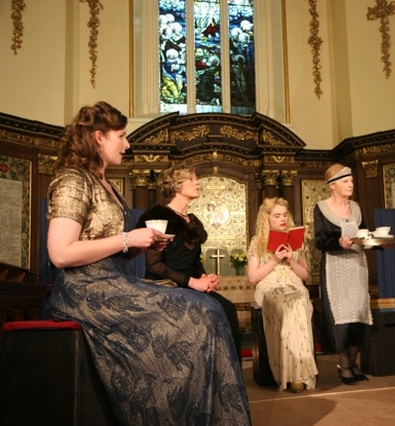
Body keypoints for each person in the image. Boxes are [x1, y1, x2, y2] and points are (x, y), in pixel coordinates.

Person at [46, 101, 251, 425]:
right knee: (204, 312)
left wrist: (141, 245)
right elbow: (60, 253)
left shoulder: (108, 185)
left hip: (114, 280)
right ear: (99, 137)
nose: (128, 144)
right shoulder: (74, 179)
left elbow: (112, 249)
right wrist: (129, 239)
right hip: (84, 291)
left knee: (210, 311)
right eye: (122, 136)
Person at [136, 165, 242, 360]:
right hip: (164, 286)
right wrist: (193, 282)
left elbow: (194, 263)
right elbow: (155, 266)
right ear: (177, 186)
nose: (197, 182)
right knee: (209, 311)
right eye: (192, 179)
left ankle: (228, 376)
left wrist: (204, 277)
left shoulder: (193, 222)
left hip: (189, 285)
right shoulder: (157, 217)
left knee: (227, 308)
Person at [247, 197, 318, 393]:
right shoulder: (258, 241)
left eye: (285, 215)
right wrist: (274, 260)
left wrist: (290, 259)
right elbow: (252, 278)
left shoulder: (296, 240)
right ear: (267, 218)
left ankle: (300, 373)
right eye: (277, 215)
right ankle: (291, 375)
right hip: (269, 285)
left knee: (298, 302)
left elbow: (304, 275)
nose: (282, 219)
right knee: (287, 305)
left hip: (293, 283)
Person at [313, 164, 372, 384]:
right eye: (346, 181)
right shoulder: (321, 208)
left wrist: (380, 244)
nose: (351, 185)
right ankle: (344, 364)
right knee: (342, 316)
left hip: (356, 266)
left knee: (358, 313)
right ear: (332, 185)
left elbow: (364, 234)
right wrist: (338, 242)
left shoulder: (356, 207)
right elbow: (319, 241)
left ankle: (352, 363)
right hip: (335, 267)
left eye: (351, 181)